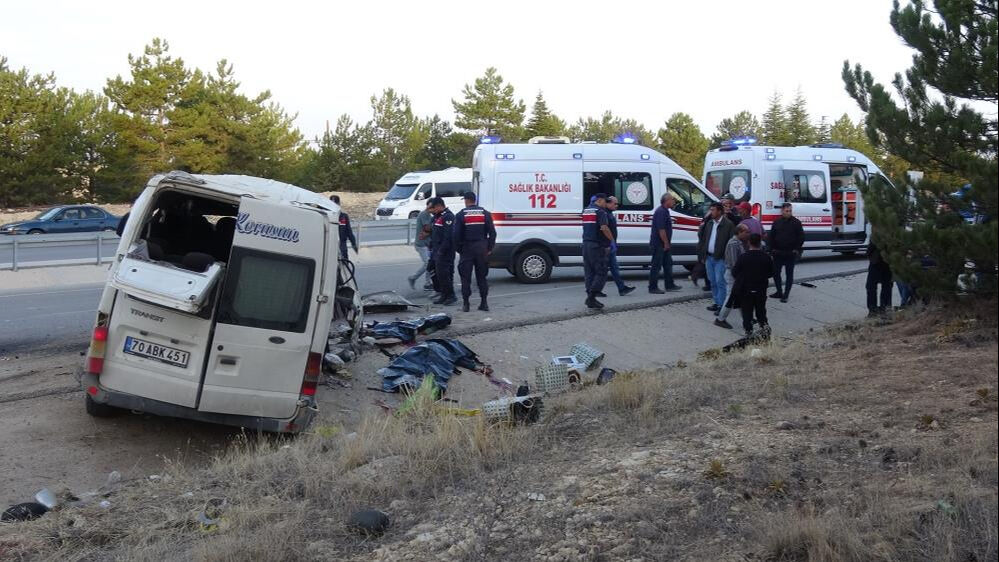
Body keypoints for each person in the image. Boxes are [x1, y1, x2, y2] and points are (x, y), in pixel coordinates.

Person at [454, 192, 497, 312]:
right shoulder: (485, 214)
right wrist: (489, 248)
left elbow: (456, 235)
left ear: (466, 200)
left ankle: (466, 304)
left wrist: (460, 249)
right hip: (482, 248)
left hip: (467, 249)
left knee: (465, 278)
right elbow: (492, 233)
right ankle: (484, 303)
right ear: (475, 200)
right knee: (482, 277)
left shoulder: (461, 215)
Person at [697, 202, 736, 313]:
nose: (711, 212)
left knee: (720, 282)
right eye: (710, 210)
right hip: (709, 257)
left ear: (719, 211)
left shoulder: (728, 224)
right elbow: (702, 238)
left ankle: (722, 306)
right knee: (712, 281)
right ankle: (716, 302)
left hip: (720, 258)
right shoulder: (709, 223)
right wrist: (702, 255)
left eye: (713, 210)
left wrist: (726, 257)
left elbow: (731, 242)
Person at [732, 233, 774, 337]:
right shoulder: (766, 257)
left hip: (746, 290)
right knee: (761, 311)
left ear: (749, 242)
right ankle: (765, 331)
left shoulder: (743, 257)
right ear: (760, 243)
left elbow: (734, 272)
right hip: (761, 289)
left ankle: (748, 332)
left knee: (747, 313)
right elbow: (772, 273)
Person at [714, 223, 750, 329]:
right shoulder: (734, 243)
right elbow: (735, 263)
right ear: (739, 232)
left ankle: (747, 319)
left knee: (739, 297)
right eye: (746, 232)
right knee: (730, 297)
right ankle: (720, 319)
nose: (748, 234)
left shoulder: (738, 242)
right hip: (733, 274)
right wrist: (740, 276)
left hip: (735, 274)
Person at [582, 193, 614, 309]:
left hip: (586, 244)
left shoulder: (586, 210)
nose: (606, 204)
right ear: (600, 200)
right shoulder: (600, 212)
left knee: (589, 272)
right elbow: (604, 228)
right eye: (605, 202)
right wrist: (612, 241)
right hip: (596, 245)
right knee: (601, 271)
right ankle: (591, 297)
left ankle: (591, 297)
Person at [768, 202, 804, 303]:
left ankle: (786, 294)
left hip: (790, 253)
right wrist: (771, 249)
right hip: (778, 252)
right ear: (782, 211)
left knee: (789, 274)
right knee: (776, 273)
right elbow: (771, 237)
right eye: (787, 211)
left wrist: (796, 249)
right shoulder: (777, 222)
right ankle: (779, 291)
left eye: (790, 211)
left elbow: (801, 237)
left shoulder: (796, 222)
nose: (789, 213)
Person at [649, 193, 681, 293]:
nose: (674, 202)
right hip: (659, 244)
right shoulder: (661, 212)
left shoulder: (665, 211)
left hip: (663, 244)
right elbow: (661, 230)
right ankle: (653, 287)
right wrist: (666, 243)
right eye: (672, 200)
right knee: (656, 266)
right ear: (667, 200)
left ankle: (669, 285)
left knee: (668, 264)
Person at [428, 197, 457, 306]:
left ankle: (451, 295)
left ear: (440, 205)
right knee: (437, 273)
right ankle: (444, 294)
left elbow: (448, 236)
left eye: (433, 208)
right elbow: (434, 233)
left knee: (445, 274)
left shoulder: (448, 216)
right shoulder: (437, 217)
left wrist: (441, 250)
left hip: (445, 251)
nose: (432, 210)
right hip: (436, 250)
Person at [605, 196, 636, 296]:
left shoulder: (609, 214)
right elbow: (604, 230)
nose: (616, 206)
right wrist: (611, 242)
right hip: (607, 246)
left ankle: (622, 288)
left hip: (610, 245)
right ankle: (593, 290)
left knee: (614, 268)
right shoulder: (605, 214)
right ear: (608, 203)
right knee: (603, 270)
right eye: (615, 204)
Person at [407, 201, 435, 290]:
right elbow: (427, 228)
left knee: (430, 263)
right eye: (431, 206)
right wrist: (436, 226)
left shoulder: (429, 215)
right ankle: (413, 278)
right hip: (421, 244)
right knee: (428, 263)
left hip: (427, 244)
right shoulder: (424, 214)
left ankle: (428, 283)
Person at [866, 239, 893, 316]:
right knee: (885, 286)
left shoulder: (879, 229)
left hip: (879, 260)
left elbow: (873, 243)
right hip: (885, 260)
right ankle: (883, 308)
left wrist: (869, 253)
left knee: (872, 286)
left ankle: (875, 309)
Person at [330, 195, 358, 260]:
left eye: (335, 203)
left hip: (342, 248)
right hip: (331, 248)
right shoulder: (327, 216)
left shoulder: (344, 217)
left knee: (345, 266)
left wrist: (354, 244)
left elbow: (349, 232)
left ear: (339, 204)